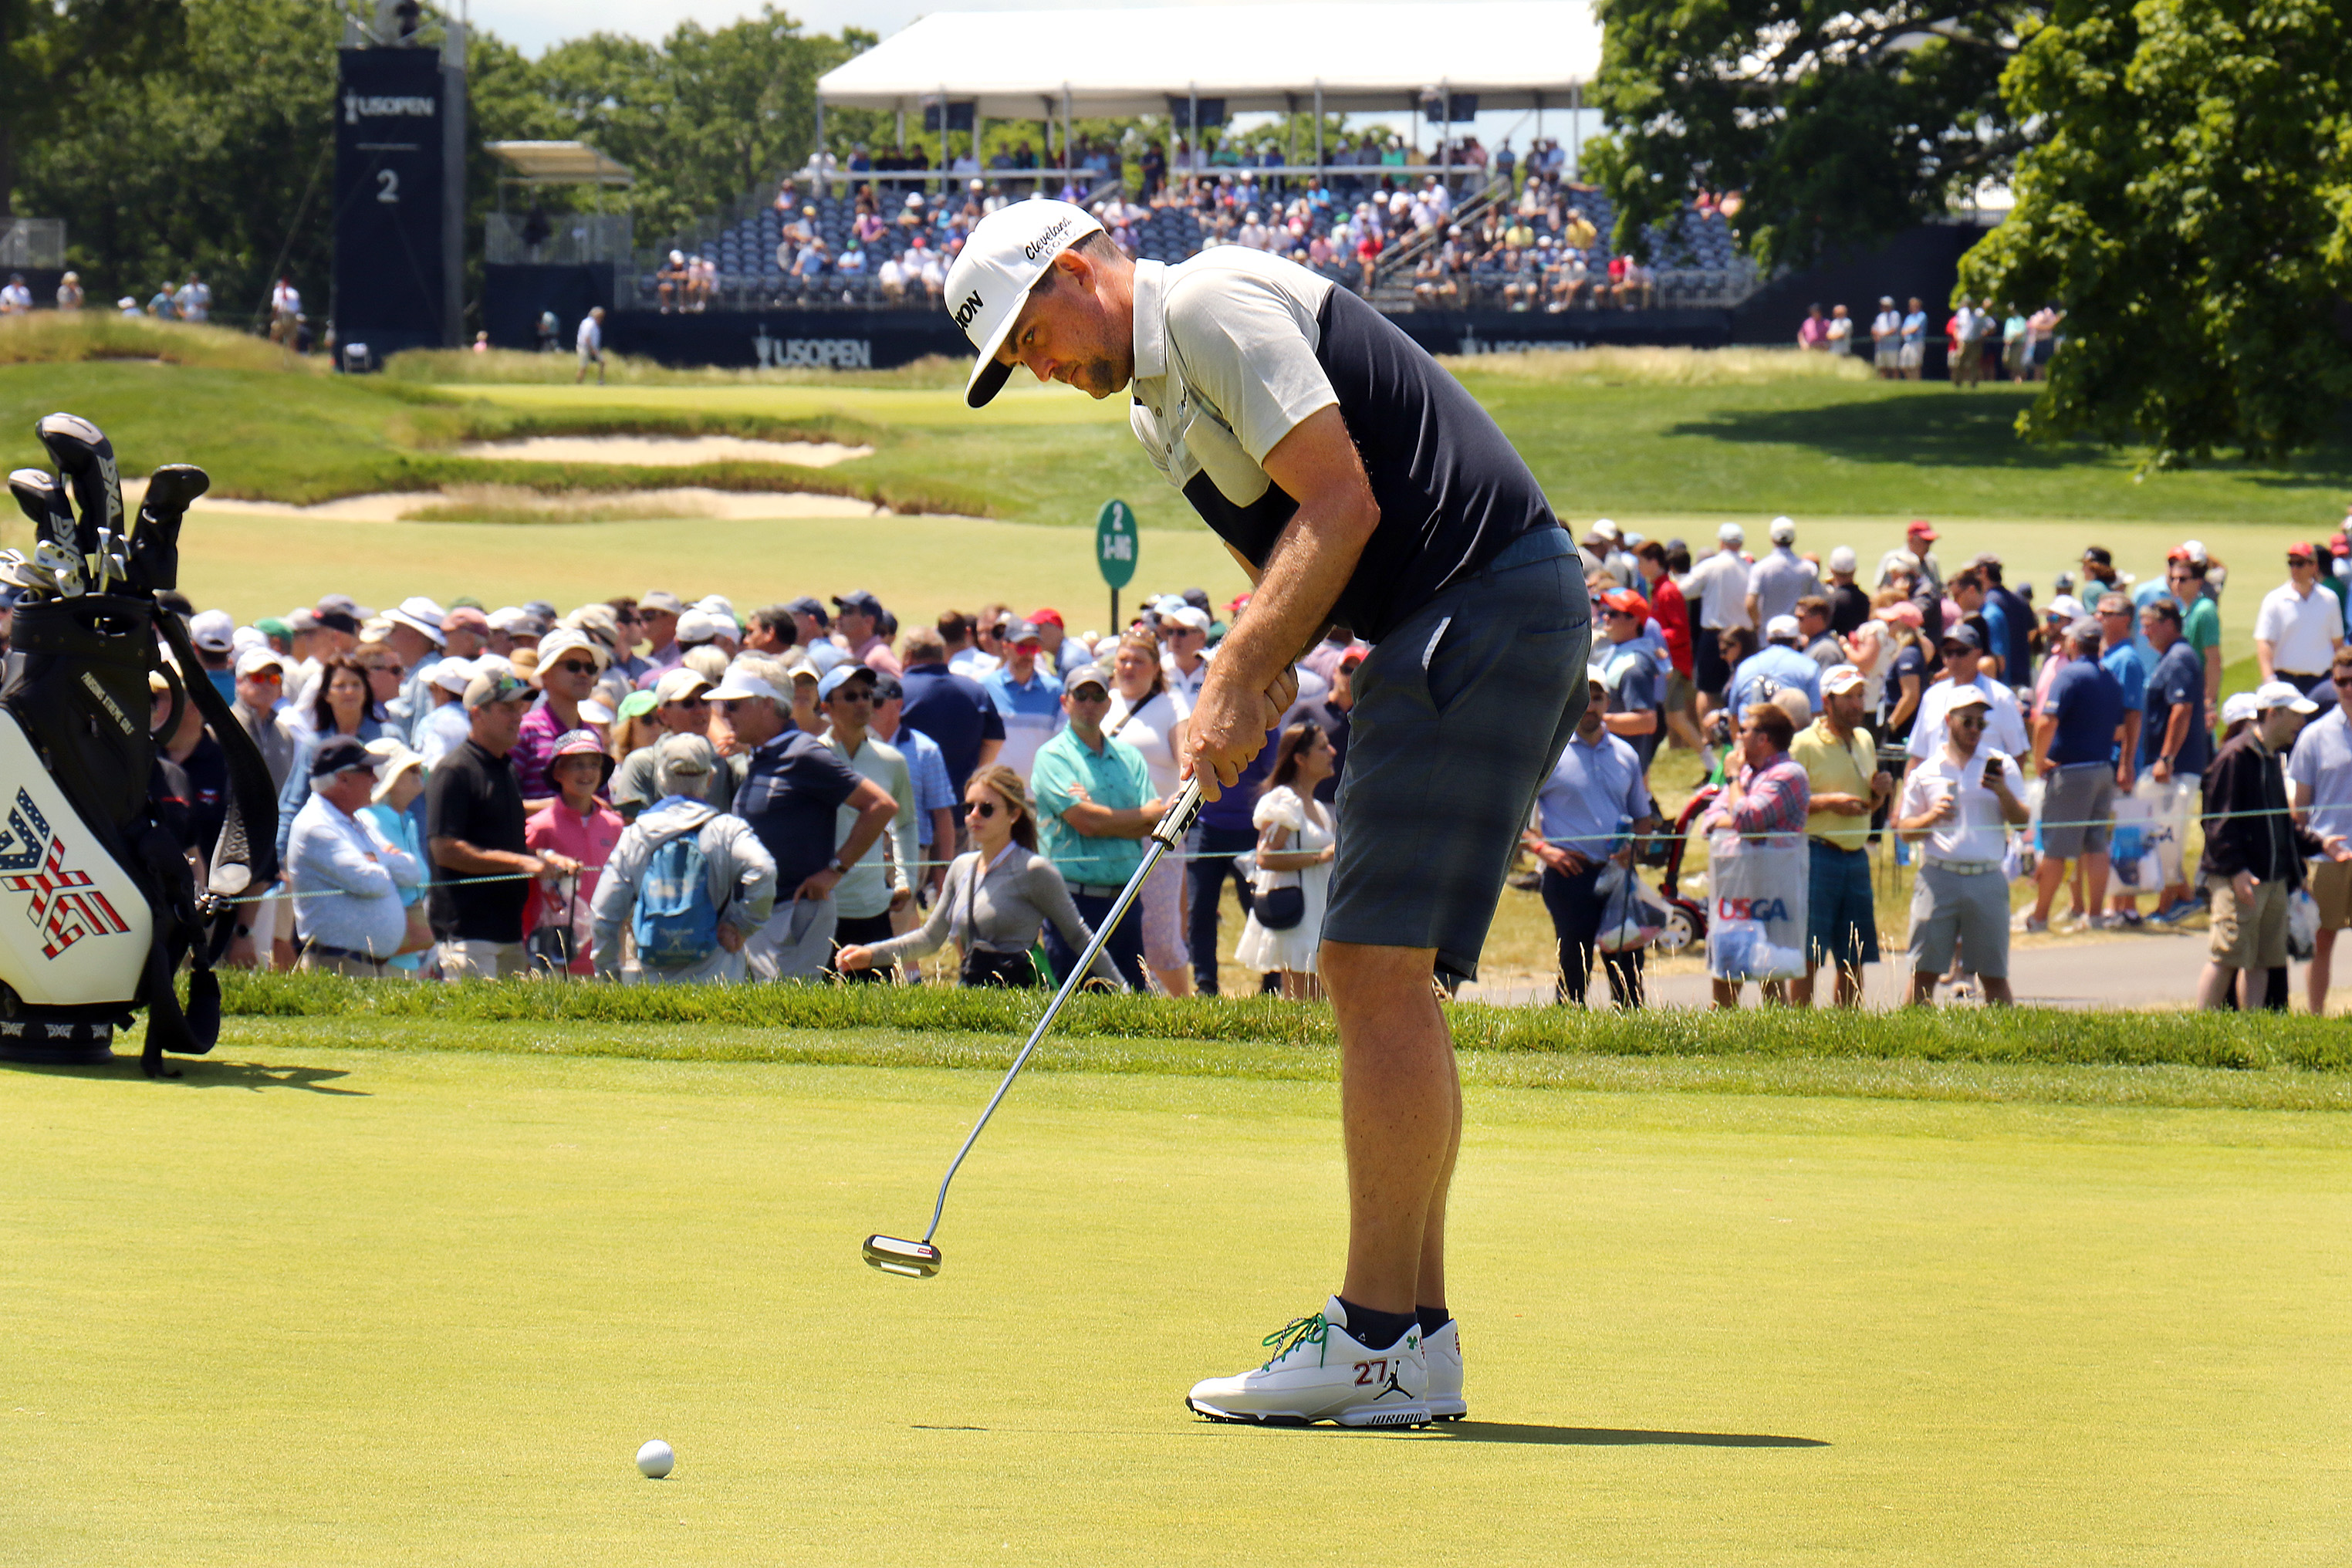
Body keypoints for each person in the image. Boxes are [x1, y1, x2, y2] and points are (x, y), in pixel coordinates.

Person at [950, 197, 1584, 1428]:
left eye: (1030, 337)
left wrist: (1238, 672)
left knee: (1366, 972)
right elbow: (1290, 555)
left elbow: (1345, 505)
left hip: (1480, 601)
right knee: (1379, 973)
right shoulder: (1151, 400)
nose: (1039, 371)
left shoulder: (1206, 304)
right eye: (1015, 365)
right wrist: (1259, 666)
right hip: (1464, 615)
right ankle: (1414, 1343)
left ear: (1078, 272)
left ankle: (1377, 1339)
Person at [836, 765, 1122, 988]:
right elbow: (929, 938)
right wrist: (870, 955)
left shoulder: (1035, 869)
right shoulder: (961, 867)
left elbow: (1078, 935)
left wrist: (1121, 990)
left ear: (1013, 815)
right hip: (971, 989)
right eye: (968, 807)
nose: (974, 816)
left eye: (986, 809)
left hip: (1020, 993)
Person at [715, 667, 897, 982]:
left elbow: (881, 805)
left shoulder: (803, 754)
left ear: (767, 704)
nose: (725, 714)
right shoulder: (765, 755)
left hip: (793, 915)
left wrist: (835, 870)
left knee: (787, 1018)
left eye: (733, 704)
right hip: (763, 915)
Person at [2199, 682, 2349, 1009]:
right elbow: (2217, 824)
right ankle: (2201, 1030)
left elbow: (2282, 824)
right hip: (2241, 878)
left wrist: (2319, 843)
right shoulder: (2235, 756)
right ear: (2274, 714)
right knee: (2226, 955)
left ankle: (2254, 1029)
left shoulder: (2270, 758)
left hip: (2272, 876)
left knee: (2265, 961)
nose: (2301, 724)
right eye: (2295, 716)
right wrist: (2236, 870)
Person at [427, 667, 580, 980]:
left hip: (508, 931)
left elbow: (505, 844)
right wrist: (522, 863)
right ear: (477, 714)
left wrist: (543, 860)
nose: (518, 717)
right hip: (466, 933)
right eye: (507, 709)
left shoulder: (505, 769)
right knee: (471, 1027)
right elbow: (445, 850)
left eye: (520, 709)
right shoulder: (455, 770)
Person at [590, 735, 777, 985]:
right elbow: (764, 870)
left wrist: (607, 974)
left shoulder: (637, 834)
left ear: (661, 778)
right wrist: (742, 925)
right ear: (710, 778)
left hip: (651, 980)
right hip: (719, 979)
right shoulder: (727, 830)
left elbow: (604, 910)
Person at [1522, 667, 1658, 1008]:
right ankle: (1568, 1034)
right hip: (1569, 874)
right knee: (1574, 961)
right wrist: (1543, 851)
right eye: (1583, 697)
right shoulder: (1549, 753)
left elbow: (1643, 817)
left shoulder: (1626, 755)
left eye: (1597, 698)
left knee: (1628, 965)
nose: (1590, 706)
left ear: (1607, 702)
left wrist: (1635, 848)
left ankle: (1629, 1034)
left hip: (1617, 873)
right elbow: (1516, 820)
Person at [1029, 662, 1162, 990]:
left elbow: (1156, 820)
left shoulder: (1130, 758)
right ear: (1065, 702)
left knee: (1130, 1004)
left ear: (1108, 703)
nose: (1089, 703)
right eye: (1081, 695)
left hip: (1125, 899)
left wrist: (1104, 818)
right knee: (1071, 1002)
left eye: (1096, 695)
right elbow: (1085, 822)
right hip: (1072, 902)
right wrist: (1135, 817)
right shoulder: (1052, 756)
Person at [1896, 688, 2030, 1006]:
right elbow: (1905, 831)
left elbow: (2023, 822)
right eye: (1967, 722)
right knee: (1924, 971)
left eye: (1981, 724)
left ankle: (2009, 1044)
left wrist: (2003, 794)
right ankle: (1911, 1040)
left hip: (1987, 877)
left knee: (1994, 975)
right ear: (1949, 721)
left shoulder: (2001, 765)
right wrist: (1932, 816)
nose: (1974, 730)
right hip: (1939, 877)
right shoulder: (1926, 772)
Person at [1696, 702, 1811, 1008]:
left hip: (1773, 889)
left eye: (1744, 730)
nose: (1738, 736)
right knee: (1725, 968)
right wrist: (1737, 811)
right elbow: (1711, 819)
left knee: (1771, 971)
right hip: (1735, 888)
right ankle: (1721, 1038)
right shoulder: (1747, 773)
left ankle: (1775, 1038)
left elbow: (1747, 821)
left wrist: (1733, 784)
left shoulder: (1788, 774)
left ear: (1764, 738)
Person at [1789, 666, 1891, 1007]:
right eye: (1847, 696)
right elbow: (1787, 804)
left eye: (1860, 695)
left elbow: (1868, 804)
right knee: (1810, 952)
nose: (1856, 704)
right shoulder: (1803, 744)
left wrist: (1880, 794)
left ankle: (1845, 1026)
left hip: (1855, 855)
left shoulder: (1864, 739)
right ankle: (1798, 1027)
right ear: (1827, 702)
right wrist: (1829, 803)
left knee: (1855, 952)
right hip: (1817, 853)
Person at [285, 737, 422, 975]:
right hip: (339, 966)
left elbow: (412, 871)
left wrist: (376, 858)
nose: (375, 779)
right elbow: (371, 882)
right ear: (343, 779)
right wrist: (383, 859)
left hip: (368, 966)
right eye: (368, 771)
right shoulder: (315, 826)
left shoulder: (355, 822)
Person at [815, 665, 917, 980]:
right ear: (826, 708)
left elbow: (906, 823)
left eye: (866, 695)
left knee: (876, 1008)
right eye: (850, 696)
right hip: (821, 906)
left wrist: (905, 880)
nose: (862, 703)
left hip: (872, 907)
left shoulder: (891, 760)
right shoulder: (811, 757)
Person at [1106, 629, 1193, 995]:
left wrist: (1174, 814)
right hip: (1105, 832)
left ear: (1155, 668)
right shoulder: (1101, 701)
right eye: (1123, 660)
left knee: (1159, 934)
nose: (1129, 667)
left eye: (1138, 661)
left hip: (1156, 836)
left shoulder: (1171, 705)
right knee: (1110, 927)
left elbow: (1187, 759)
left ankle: (1183, 1007)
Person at [2025, 620, 2125, 933]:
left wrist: (2039, 760)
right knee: (2096, 844)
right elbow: (2120, 728)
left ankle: (2039, 918)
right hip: (2102, 768)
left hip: (2071, 772)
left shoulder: (2068, 675)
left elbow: (2046, 722)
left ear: (2073, 645)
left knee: (2056, 847)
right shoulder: (2110, 677)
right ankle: (2094, 915)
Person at [1233, 721, 1340, 999]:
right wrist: (1320, 857)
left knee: (1317, 999)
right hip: (1297, 914)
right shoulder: (1284, 801)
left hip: (1318, 912)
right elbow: (1265, 858)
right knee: (1303, 1000)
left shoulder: (1316, 806)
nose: (1332, 752)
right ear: (1300, 759)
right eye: (1322, 748)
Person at [523, 729, 625, 975]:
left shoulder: (614, 826)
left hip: (605, 950)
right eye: (577, 765)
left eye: (594, 764)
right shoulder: (540, 825)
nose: (587, 772)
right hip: (553, 952)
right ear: (558, 772)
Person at [2287, 647, 2352, 1013]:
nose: (2346, 688)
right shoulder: (2315, 736)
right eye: (2340, 681)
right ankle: (2314, 1016)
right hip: (2326, 854)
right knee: (2322, 938)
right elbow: (2301, 807)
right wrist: (2299, 857)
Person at [2138, 598, 2211, 921]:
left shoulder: (2180, 658)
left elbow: (2181, 711)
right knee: (2160, 834)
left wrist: (2166, 758)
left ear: (2168, 624)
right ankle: (2178, 900)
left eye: (2149, 625)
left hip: (2176, 768)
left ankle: (2178, 901)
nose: (2144, 632)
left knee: (2165, 834)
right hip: (2170, 765)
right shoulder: (2171, 658)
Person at [1904, 623, 2026, 769]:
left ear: (1978, 653)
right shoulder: (1932, 696)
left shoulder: (2001, 697)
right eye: (1948, 652)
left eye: (1961, 652)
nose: (1954, 659)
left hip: (1983, 789)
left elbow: (2018, 753)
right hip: (1937, 787)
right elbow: (1918, 755)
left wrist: (2005, 788)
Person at [2255, 542, 2345, 700]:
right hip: (2286, 680)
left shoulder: (2329, 600)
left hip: (2321, 681)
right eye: (2291, 563)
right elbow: (2265, 642)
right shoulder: (2275, 600)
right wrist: (2269, 679)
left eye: (2300, 564)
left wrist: (2341, 678)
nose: (2294, 568)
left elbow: (2337, 644)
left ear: (2314, 566)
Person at [1685, 523, 1752, 719]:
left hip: (1714, 634)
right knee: (1740, 684)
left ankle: (1709, 737)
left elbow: (1685, 590)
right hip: (1742, 636)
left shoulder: (1710, 565)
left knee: (1706, 688)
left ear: (1721, 542)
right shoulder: (1749, 568)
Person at [1729, 615, 1823, 721]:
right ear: (1797, 640)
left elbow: (1734, 715)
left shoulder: (1745, 666)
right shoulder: (1809, 666)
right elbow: (1816, 714)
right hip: (1792, 735)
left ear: (1768, 639)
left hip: (1751, 733)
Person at [1744, 517, 1817, 629]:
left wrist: (1757, 624)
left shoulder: (1760, 568)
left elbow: (1750, 603)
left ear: (1772, 538)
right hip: (1797, 633)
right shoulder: (1809, 569)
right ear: (1794, 539)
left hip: (1768, 635)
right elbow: (1817, 601)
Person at [575, 306, 607, 385]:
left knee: (602, 362)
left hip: (592, 348)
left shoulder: (594, 324)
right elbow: (587, 338)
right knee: (583, 367)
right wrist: (592, 349)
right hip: (585, 348)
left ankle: (600, 381)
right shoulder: (589, 324)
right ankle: (578, 384)